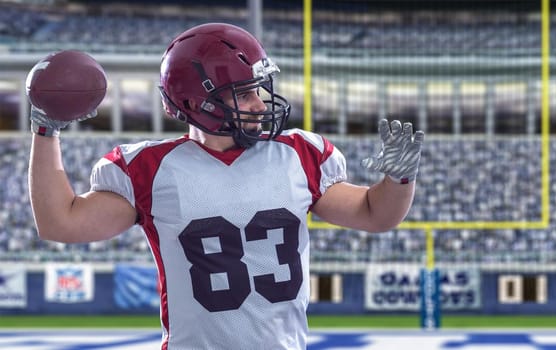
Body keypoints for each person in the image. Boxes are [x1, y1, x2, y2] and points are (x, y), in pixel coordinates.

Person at [27, 22, 423, 350]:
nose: (260, 103)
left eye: (259, 90)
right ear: (200, 102)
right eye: (245, 93)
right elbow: (60, 223)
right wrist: (46, 130)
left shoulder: (298, 154)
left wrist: (400, 179)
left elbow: (376, 214)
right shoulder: (150, 168)